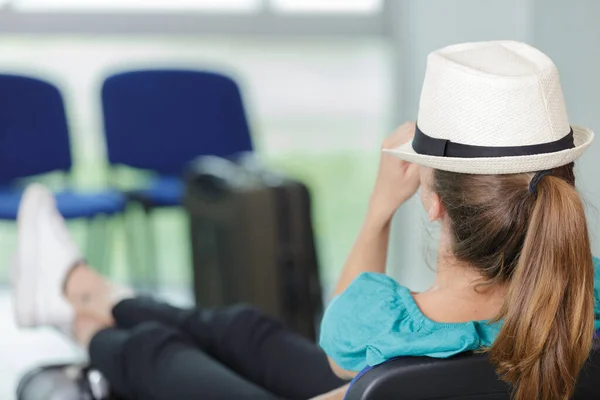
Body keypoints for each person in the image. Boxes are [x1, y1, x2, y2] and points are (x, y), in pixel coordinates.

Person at [11, 40, 600, 400]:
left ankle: (73, 311)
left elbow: (336, 354)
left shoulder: (379, 324)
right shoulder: (587, 293)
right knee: (246, 330)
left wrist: (377, 210)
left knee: (151, 352)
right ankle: (84, 288)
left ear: (434, 201)